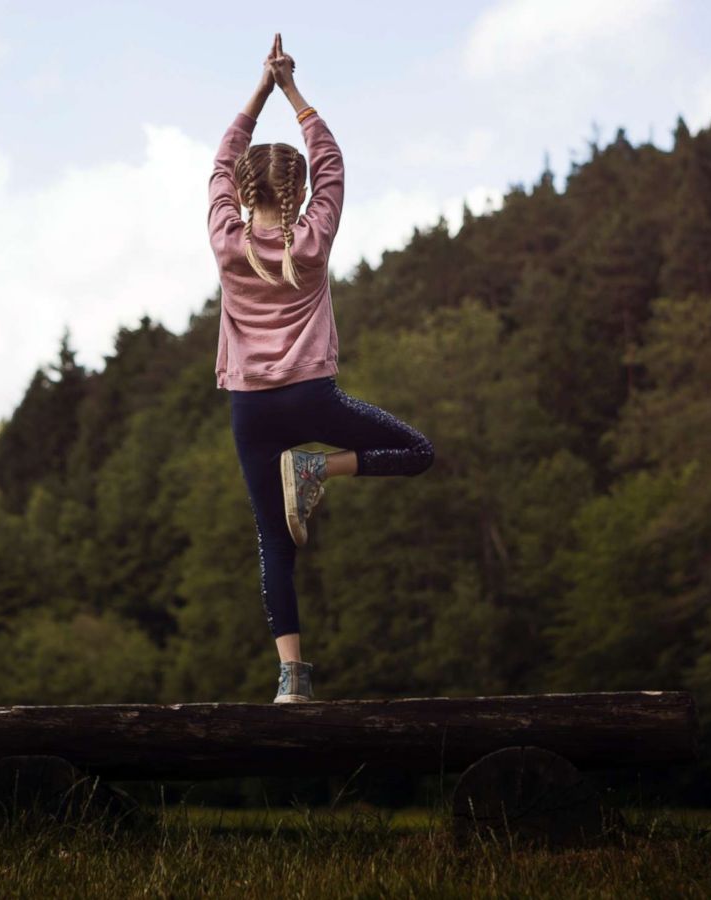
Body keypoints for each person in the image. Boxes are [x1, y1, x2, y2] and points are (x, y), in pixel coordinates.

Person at [207, 33, 434, 703]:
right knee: (416, 450)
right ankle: (317, 468)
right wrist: (291, 87)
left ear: (244, 193)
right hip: (312, 400)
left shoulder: (226, 239)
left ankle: (291, 679)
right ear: (303, 191)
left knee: (273, 542)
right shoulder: (313, 235)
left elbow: (221, 160)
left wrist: (258, 88)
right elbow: (331, 157)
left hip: (250, 408)